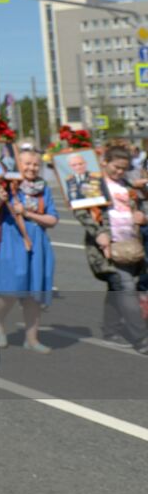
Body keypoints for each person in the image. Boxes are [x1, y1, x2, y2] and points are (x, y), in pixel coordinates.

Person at [0, 149, 59, 352]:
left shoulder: (43, 188)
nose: (32, 168)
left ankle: (32, 339)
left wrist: (28, 214)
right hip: (10, 243)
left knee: (34, 294)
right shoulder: (5, 184)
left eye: (35, 164)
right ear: (17, 164)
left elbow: (52, 219)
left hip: (38, 244)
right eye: (27, 164)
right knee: (9, 290)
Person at [72, 145, 148, 353]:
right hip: (106, 247)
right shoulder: (94, 183)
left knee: (117, 287)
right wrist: (98, 233)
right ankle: (141, 338)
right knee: (125, 287)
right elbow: (82, 212)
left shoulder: (127, 185)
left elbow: (140, 208)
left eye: (124, 168)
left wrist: (142, 217)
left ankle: (110, 330)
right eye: (116, 167)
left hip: (130, 245)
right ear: (104, 162)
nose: (119, 172)